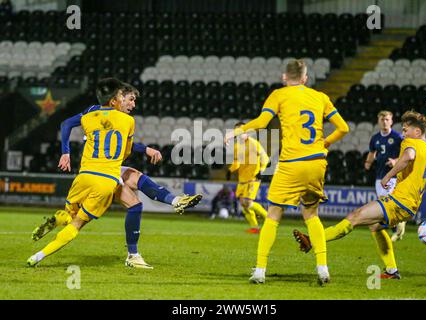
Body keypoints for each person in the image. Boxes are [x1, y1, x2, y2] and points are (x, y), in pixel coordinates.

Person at [31, 82, 202, 268]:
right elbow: (123, 150)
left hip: (95, 171)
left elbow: (71, 125)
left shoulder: (96, 114)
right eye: (128, 99)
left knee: (134, 198)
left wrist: (145, 149)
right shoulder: (110, 116)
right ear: (115, 100)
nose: (132, 104)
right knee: (77, 220)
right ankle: (133, 250)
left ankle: (174, 203)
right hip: (105, 173)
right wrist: (144, 149)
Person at [224, 59, 350, 285]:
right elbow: (344, 128)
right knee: (311, 215)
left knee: (273, 215)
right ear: (305, 78)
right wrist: (325, 143)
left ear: (284, 77)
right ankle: (322, 268)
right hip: (317, 162)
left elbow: (262, 122)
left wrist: (238, 131)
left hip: (292, 162)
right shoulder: (320, 97)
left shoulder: (279, 95)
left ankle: (260, 270)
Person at [293, 111, 426, 279]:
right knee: (375, 227)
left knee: (354, 216)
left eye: (406, 129)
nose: (403, 133)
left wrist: (388, 175)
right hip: (410, 206)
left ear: (417, 132)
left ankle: (313, 241)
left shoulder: (411, 143)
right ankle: (391, 271)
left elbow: (409, 157)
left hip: (398, 201)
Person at [26, 78, 135, 267]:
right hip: (106, 179)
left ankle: (53, 221)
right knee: (77, 224)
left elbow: (66, 124)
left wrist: (66, 153)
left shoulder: (88, 116)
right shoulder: (128, 121)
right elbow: (127, 152)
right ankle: (38, 256)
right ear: (113, 100)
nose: (125, 100)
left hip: (84, 176)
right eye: (121, 96)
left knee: (68, 213)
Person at [364, 111, 405, 241]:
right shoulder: (375, 138)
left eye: (387, 119)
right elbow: (372, 152)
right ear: (378, 121)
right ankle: (399, 226)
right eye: (382, 119)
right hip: (379, 175)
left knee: (387, 201)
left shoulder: (398, 137)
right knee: (383, 203)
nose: (385, 122)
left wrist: (395, 161)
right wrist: (368, 163)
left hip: (393, 175)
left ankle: (397, 228)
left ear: (391, 121)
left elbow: (408, 154)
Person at [229, 122, 269, 233]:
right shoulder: (237, 146)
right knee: (243, 204)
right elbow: (237, 163)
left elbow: (264, 157)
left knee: (248, 202)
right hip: (242, 179)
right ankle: (254, 227)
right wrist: (230, 170)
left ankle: (270, 219)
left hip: (253, 177)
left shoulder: (254, 143)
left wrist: (262, 170)